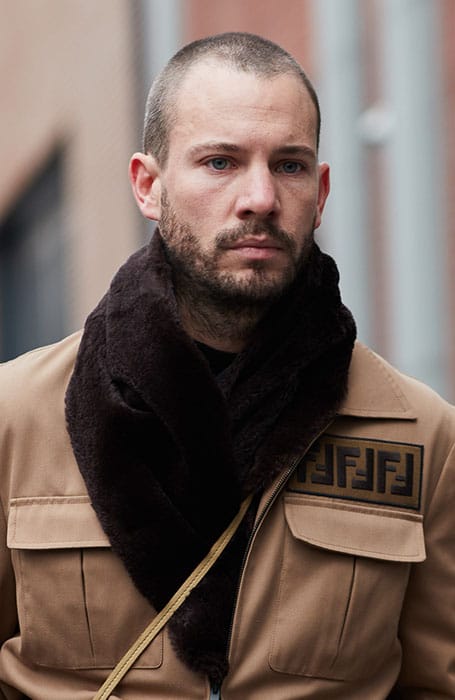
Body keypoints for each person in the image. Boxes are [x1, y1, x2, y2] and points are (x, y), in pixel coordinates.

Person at [0, 31, 454, 700]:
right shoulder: (16, 417)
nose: (260, 198)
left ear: (322, 191)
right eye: (220, 162)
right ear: (147, 186)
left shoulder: (417, 433)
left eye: (290, 165)